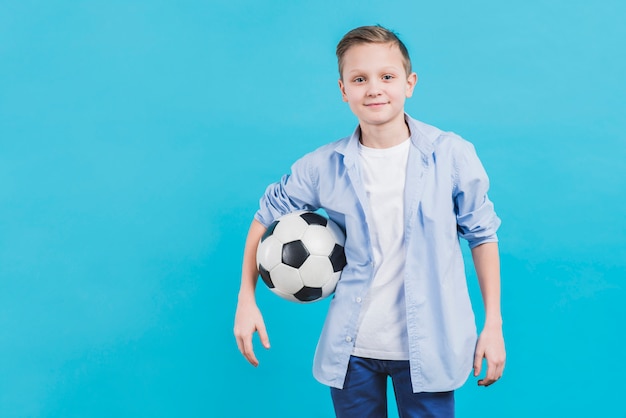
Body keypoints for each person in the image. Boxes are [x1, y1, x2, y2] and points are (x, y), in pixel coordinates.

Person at [234, 25, 505, 417]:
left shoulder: (451, 155)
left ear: (409, 83)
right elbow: (265, 216)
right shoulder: (322, 166)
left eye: (387, 77)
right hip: (352, 351)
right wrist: (247, 298)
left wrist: (492, 324)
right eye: (359, 79)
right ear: (344, 90)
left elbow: (482, 236)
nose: (374, 88)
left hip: (429, 348)